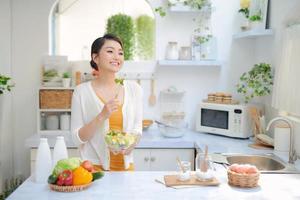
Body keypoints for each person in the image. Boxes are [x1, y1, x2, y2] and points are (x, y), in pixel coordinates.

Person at [71, 33, 143, 171]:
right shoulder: (81, 92)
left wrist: (130, 145)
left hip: (126, 170)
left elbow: (137, 130)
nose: (117, 57)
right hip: (93, 170)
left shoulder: (134, 89)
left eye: (120, 53)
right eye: (110, 51)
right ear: (95, 57)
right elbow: (77, 139)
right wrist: (102, 116)